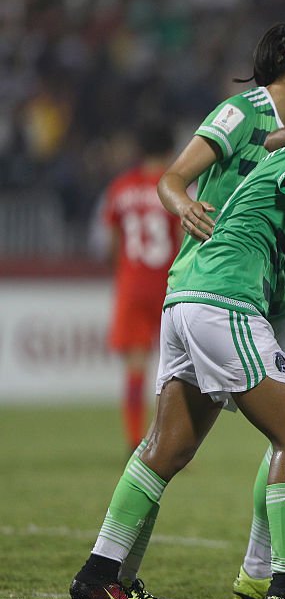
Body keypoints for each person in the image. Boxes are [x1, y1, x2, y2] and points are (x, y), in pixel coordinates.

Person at [69, 63, 285, 599]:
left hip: (187, 300)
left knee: (168, 445)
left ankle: (99, 574)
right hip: (225, 300)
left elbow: (277, 142)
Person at [107, 12, 285, 599]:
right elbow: (174, 177)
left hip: (222, 295)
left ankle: (102, 573)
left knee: (168, 448)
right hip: (222, 289)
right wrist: (183, 204)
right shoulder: (242, 111)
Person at [99, 123, 179, 450]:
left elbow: (112, 246)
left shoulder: (121, 188)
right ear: (170, 150)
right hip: (167, 286)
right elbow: (182, 239)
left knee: (135, 367)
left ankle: (135, 439)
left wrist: (123, 274)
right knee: (173, 368)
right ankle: (167, 442)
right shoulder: (173, 187)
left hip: (131, 285)